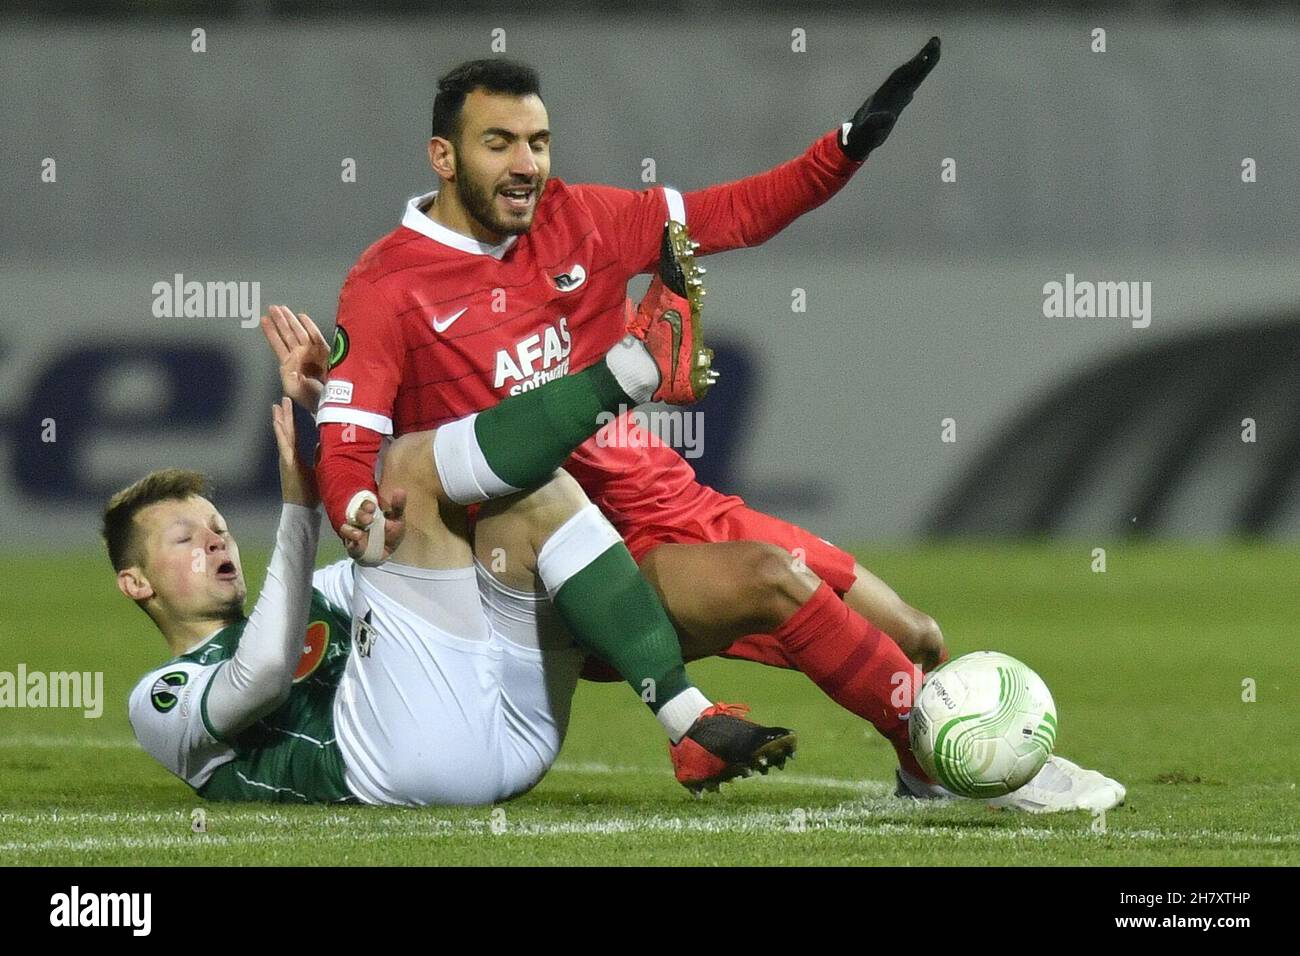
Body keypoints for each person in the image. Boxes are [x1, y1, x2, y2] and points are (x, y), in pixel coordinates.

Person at [310, 48, 1124, 810]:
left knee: (916, 640)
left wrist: (843, 149)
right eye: (499, 143)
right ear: (443, 158)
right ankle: (967, 766)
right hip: (552, 562)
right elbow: (347, 441)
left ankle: (926, 766)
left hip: (669, 502)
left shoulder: (581, 219)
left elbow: (735, 214)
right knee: (771, 578)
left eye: (538, 141)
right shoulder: (388, 284)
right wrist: (354, 509)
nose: (526, 165)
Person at [114, 288, 795, 804]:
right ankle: (628, 376)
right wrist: (303, 501)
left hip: (513, 734)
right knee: (408, 470)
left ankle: (685, 719)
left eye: (215, 526)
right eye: (185, 538)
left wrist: (338, 412)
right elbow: (259, 678)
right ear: (136, 583)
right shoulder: (160, 699)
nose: (213, 538)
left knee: (528, 496)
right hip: (392, 767)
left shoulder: (321, 593)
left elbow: (423, 515)